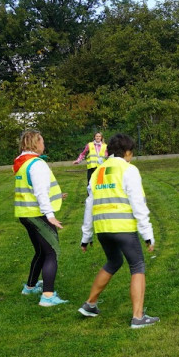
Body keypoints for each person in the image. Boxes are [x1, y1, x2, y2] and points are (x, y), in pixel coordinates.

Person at [79, 133, 159, 328]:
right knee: (137, 266)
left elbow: (89, 204)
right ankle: (138, 317)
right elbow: (138, 203)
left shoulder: (97, 171)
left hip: (102, 229)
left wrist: (86, 236)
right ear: (127, 152)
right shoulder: (128, 169)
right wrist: (147, 234)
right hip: (123, 227)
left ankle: (90, 304)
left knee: (114, 261)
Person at [14, 129, 68, 306]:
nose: (44, 145)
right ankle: (47, 296)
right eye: (42, 141)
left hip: (26, 214)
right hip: (38, 215)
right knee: (51, 253)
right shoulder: (37, 164)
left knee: (40, 251)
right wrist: (50, 216)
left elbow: (32, 189)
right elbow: (39, 191)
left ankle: (29, 287)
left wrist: (56, 196)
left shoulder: (22, 163)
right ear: (35, 143)